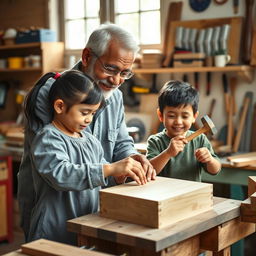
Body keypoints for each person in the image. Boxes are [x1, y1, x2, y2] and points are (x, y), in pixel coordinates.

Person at [18, 23, 155, 242]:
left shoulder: (114, 96)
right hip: (53, 212)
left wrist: (131, 158)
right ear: (86, 56)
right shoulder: (50, 92)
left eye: (125, 73)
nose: (117, 81)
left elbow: (119, 143)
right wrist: (110, 169)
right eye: (110, 69)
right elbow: (56, 169)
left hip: (92, 212)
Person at [146, 80, 221, 182]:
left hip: (191, 195)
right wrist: (168, 153)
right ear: (160, 115)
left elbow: (215, 170)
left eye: (185, 116)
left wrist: (210, 160)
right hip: (163, 195)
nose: (178, 122)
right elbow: (149, 171)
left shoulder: (200, 140)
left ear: (194, 117)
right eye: (171, 116)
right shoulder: (155, 141)